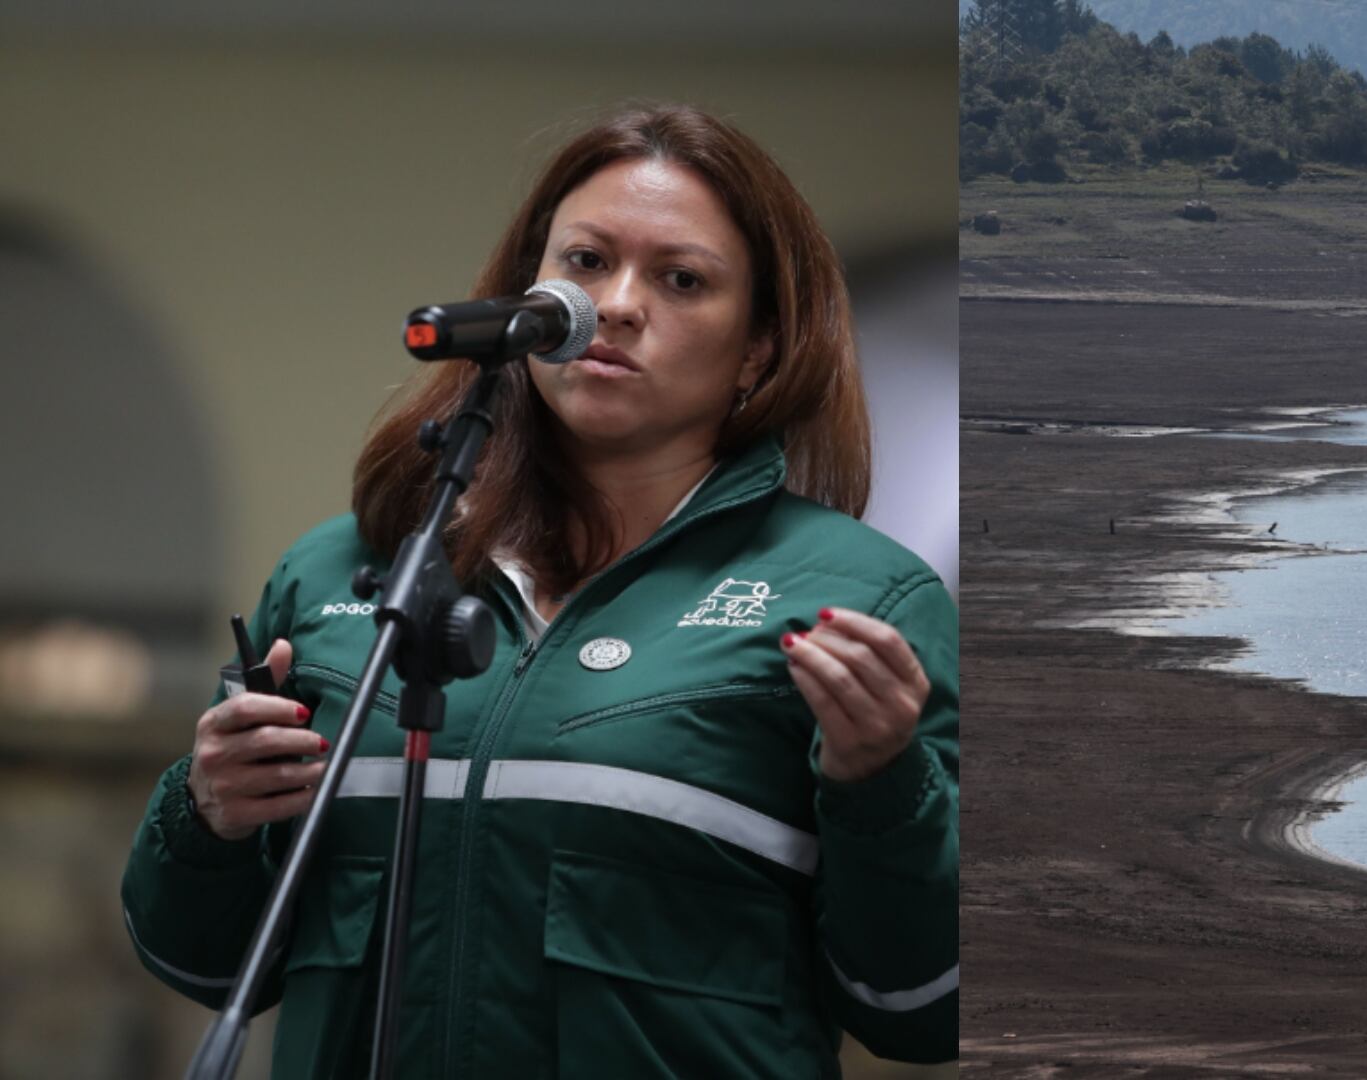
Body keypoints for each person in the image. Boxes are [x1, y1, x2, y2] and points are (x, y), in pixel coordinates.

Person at [120, 105, 958, 1078]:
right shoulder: (343, 574)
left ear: (760, 347)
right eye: (588, 263)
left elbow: (922, 1011)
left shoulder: (858, 600)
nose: (617, 304)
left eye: (681, 278)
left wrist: (882, 788)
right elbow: (201, 960)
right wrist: (211, 814)